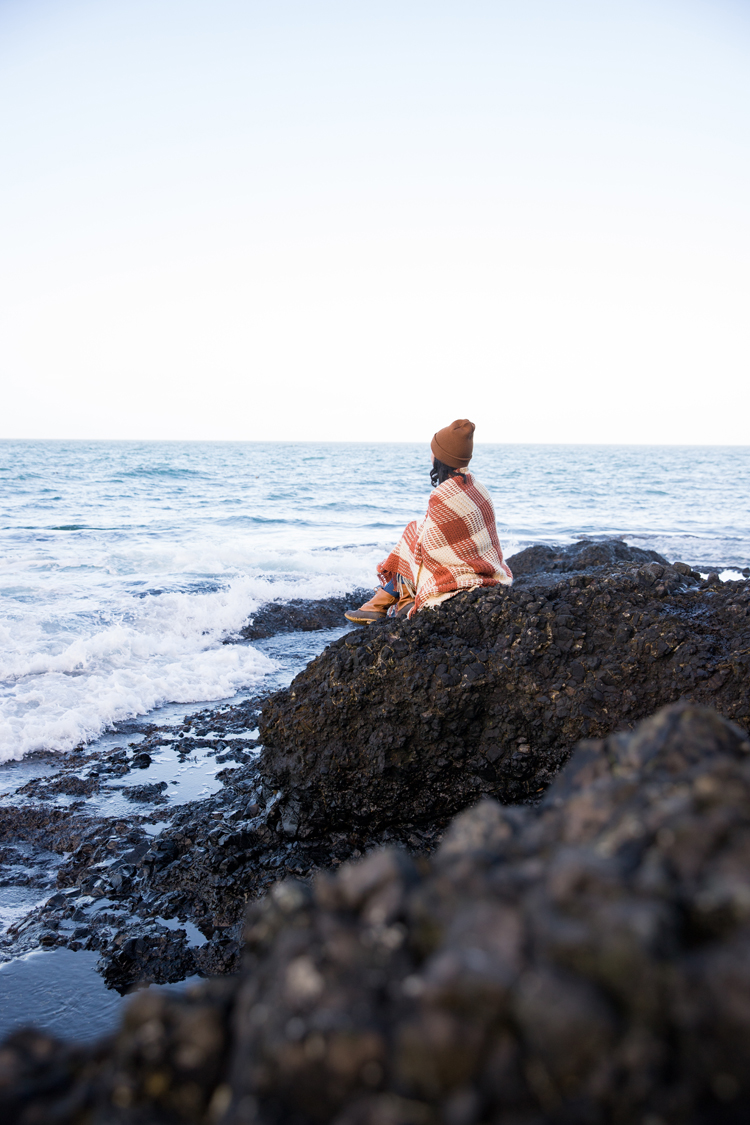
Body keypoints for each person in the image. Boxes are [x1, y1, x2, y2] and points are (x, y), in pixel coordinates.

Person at [344, 419, 513, 624]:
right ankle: (394, 601)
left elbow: (430, 547)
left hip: (458, 570)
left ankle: (382, 603)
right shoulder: (479, 488)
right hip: (484, 565)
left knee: (411, 535)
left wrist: (414, 538)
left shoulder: (442, 494)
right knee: (414, 530)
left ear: (441, 458)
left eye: (433, 451)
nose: (430, 455)